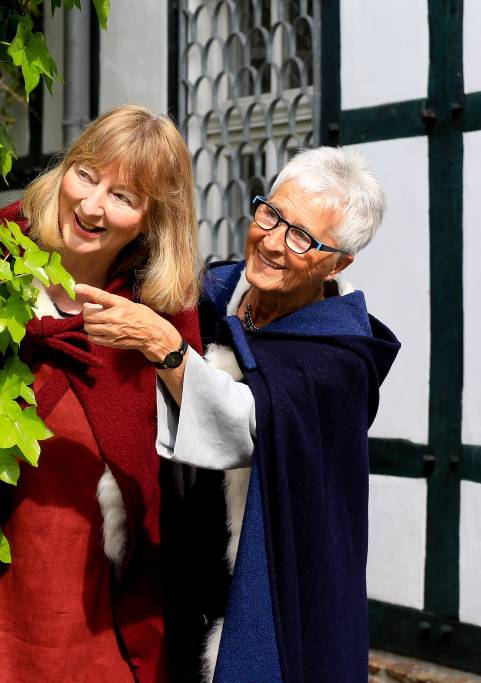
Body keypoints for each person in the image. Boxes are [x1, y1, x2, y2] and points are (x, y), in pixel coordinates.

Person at [75, 146, 400, 682]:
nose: (272, 242)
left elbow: (242, 431)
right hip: (174, 577)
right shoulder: (212, 294)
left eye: (303, 237)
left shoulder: (340, 358)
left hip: (262, 590)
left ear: (339, 262)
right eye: (271, 214)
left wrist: (167, 349)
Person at [0, 105, 208, 682]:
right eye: (87, 175)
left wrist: (162, 348)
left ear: (153, 219)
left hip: (98, 584)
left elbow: (203, 437)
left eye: (123, 197)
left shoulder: (159, 308)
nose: (92, 206)